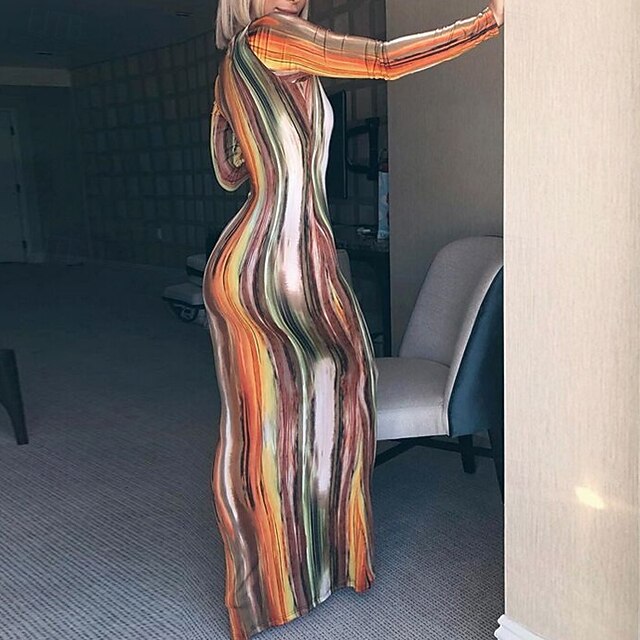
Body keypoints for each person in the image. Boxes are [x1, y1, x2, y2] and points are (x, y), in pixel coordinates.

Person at [203, 1, 504, 638]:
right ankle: (300, 573)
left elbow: (229, 173)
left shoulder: (238, 59)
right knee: (314, 415)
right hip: (279, 265)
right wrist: (485, 23)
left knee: (282, 423)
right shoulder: (275, 36)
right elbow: (383, 62)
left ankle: (282, 584)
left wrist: (240, 116)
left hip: (255, 260)